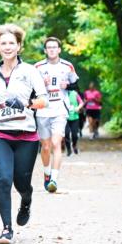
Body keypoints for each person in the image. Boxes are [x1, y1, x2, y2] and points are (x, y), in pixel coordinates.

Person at [0, 23, 48, 244]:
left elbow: (43, 101)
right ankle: (6, 230)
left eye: (11, 43)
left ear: (19, 46)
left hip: (26, 136)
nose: (7, 47)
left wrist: (26, 102)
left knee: (21, 184)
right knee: (4, 179)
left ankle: (26, 199)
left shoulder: (30, 72)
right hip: (1, 134)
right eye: (3, 43)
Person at [34, 37, 77, 193]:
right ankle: (46, 174)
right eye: (49, 47)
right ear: (45, 50)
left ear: (59, 49)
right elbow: (30, 89)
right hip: (43, 110)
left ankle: (54, 179)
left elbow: (75, 85)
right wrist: (41, 84)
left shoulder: (67, 66)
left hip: (60, 109)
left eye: (54, 47)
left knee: (56, 143)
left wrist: (68, 85)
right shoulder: (37, 67)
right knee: (45, 147)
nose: (52, 50)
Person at [64, 83, 84, 156]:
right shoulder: (62, 94)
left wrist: (78, 108)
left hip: (75, 117)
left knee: (74, 135)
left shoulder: (75, 93)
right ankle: (69, 149)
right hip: (65, 118)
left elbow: (81, 102)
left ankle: (74, 145)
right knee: (66, 134)